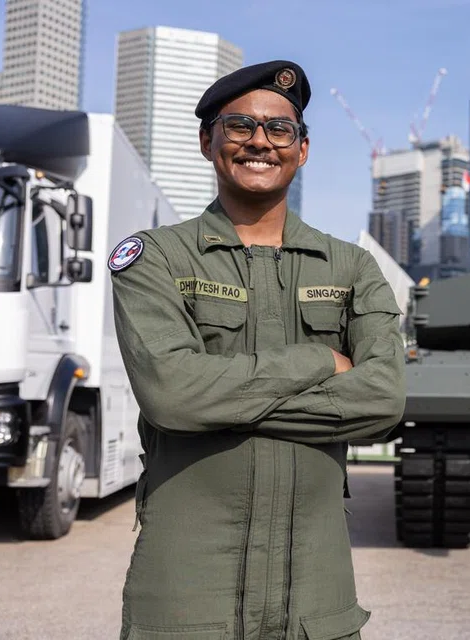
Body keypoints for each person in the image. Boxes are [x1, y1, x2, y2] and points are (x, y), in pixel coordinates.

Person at [109, 59, 407, 640]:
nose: (260, 142)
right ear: (207, 142)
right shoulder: (156, 258)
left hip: (315, 597)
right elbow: (172, 395)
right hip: (187, 593)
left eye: (279, 129)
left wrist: (217, 403)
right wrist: (318, 361)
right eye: (240, 125)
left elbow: (384, 400)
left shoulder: (351, 267)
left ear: (302, 149)